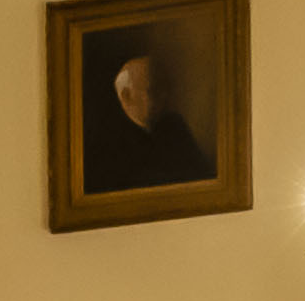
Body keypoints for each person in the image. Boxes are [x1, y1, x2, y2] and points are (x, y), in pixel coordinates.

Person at [72, 38, 211, 198]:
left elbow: (200, 177)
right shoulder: (105, 139)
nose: (164, 96)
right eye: (153, 90)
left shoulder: (174, 125)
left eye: (163, 88)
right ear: (127, 96)